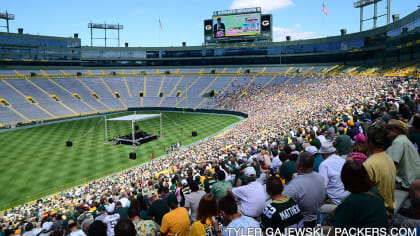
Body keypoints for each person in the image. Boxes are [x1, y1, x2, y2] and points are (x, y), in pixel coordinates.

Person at [334, 160, 388, 228]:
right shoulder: (374, 191)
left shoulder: (350, 202)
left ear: (345, 180)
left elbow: (338, 231)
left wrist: (319, 229)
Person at [283, 152, 325, 227]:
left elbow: (282, 206)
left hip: (302, 223)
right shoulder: (321, 178)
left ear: (298, 165)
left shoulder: (294, 186)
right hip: (318, 219)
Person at [363, 126, 396, 214]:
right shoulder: (388, 158)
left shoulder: (369, 164)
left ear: (367, 141)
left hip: (377, 211)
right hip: (387, 207)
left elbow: (360, 194)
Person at [387, 119, 420, 190]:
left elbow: (392, 167)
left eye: (390, 129)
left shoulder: (398, 141)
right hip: (412, 180)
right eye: (388, 129)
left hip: (406, 182)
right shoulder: (403, 139)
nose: (388, 131)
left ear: (399, 130)